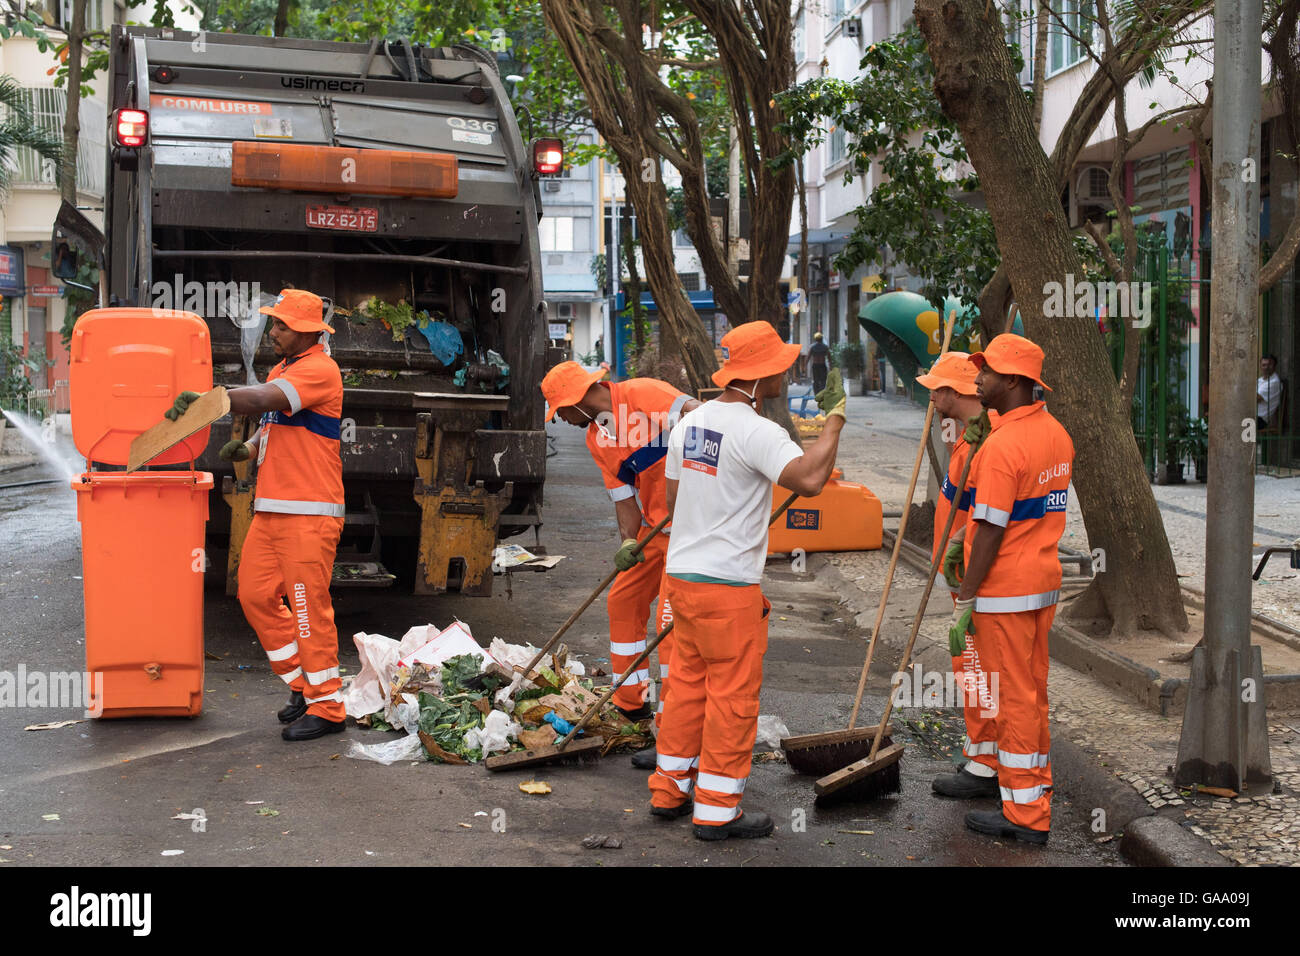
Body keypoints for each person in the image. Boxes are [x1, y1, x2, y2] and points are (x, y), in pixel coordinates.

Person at [649, 321, 845, 840]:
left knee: (687, 688)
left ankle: (668, 790)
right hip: (728, 589)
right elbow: (809, 480)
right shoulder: (759, 431)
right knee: (732, 700)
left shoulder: (690, 424)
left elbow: (673, 501)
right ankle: (716, 812)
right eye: (780, 364)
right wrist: (835, 424)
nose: (787, 370)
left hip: (683, 581)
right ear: (761, 374)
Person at [168, 289, 346, 741]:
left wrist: (213, 400)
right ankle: (303, 686)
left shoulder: (320, 370)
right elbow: (273, 427)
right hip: (273, 510)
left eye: (281, 325)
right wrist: (246, 448)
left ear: (306, 331)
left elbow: (265, 400)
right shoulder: (285, 368)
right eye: (274, 323)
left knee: (308, 610)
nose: (272, 332)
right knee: (254, 595)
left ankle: (328, 708)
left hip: (309, 512)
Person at [947, 333, 1074, 844]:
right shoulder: (1055, 434)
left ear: (1016, 382)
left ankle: (1025, 815)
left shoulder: (1002, 446)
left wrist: (968, 592)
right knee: (1032, 692)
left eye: (989, 371)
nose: (978, 378)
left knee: (1014, 699)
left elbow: (996, 527)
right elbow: (1021, 512)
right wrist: (965, 534)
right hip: (1040, 583)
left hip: (1004, 591)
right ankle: (1031, 791)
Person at [541, 361, 700, 769]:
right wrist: (629, 541)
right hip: (653, 532)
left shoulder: (642, 394)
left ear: (577, 399)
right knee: (623, 601)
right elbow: (624, 500)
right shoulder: (597, 438)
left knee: (669, 624)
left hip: (691, 530)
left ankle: (672, 735)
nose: (560, 419)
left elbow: (701, 419)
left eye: (560, 410)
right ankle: (632, 706)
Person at [914, 352, 999, 798]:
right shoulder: (967, 440)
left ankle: (986, 763)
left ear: (954, 392)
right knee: (968, 664)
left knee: (976, 665)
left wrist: (957, 561)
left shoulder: (987, 446)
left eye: (936, 388)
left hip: (973, 579)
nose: (931, 395)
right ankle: (980, 748)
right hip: (958, 574)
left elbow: (991, 518)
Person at [1258, 354, 1282, 429]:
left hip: (1260, 419)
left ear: (1275, 366)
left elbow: (1255, 399)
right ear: (1260, 366)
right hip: (1250, 415)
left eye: (1269, 365)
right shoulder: (1260, 380)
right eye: (1264, 365)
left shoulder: (1274, 382)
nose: (1266, 367)